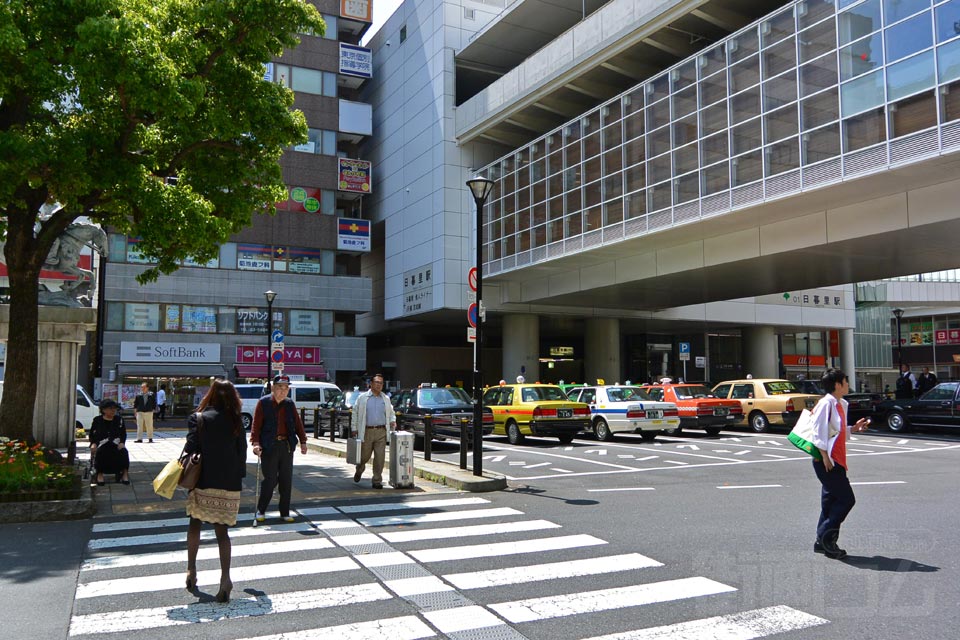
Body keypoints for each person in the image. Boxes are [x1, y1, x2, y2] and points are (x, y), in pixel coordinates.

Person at [183, 380, 247, 604]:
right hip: (228, 482)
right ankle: (226, 578)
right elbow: (242, 454)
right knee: (222, 533)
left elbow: (190, 448)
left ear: (209, 395)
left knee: (194, 525)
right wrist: (238, 477)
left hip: (203, 479)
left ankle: (191, 570)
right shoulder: (236, 419)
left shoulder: (198, 418)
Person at [809, 368, 870, 560]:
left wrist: (854, 429)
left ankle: (821, 542)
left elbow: (836, 431)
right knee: (846, 500)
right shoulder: (825, 404)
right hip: (827, 461)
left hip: (836, 459)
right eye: (845, 381)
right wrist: (825, 456)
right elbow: (817, 431)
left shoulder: (839, 403)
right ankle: (828, 539)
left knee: (830, 502)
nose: (847, 384)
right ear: (837, 385)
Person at [251, 375, 307, 522]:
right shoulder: (263, 403)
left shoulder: (289, 404)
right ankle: (261, 510)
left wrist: (303, 441)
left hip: (286, 445)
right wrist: (256, 443)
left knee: (286, 480)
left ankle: (285, 512)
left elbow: (297, 423)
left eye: (286, 388)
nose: (283, 391)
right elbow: (256, 425)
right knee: (270, 480)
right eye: (280, 387)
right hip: (269, 445)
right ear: (273, 388)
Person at [351, 373, 397, 489]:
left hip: (381, 431)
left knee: (380, 457)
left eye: (381, 383)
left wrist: (392, 421)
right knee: (364, 457)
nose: (379, 385)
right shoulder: (362, 398)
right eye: (376, 382)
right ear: (370, 384)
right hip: (366, 431)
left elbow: (391, 413)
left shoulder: (385, 398)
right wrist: (354, 428)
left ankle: (377, 480)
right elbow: (355, 413)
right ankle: (359, 469)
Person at [89, 399, 130, 485]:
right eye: (110, 408)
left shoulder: (119, 420)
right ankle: (100, 474)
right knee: (100, 452)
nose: (113, 411)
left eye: (114, 408)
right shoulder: (97, 420)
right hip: (102, 444)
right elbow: (92, 434)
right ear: (103, 410)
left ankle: (125, 474)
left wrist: (122, 442)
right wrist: (93, 443)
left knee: (124, 452)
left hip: (115, 443)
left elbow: (123, 433)